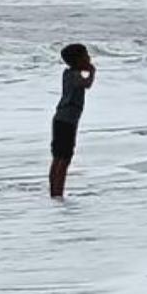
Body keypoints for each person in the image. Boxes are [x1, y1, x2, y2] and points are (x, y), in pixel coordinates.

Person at [49, 43, 95, 199]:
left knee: (58, 157)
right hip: (67, 120)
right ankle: (57, 192)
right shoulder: (74, 75)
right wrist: (92, 72)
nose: (89, 58)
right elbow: (86, 84)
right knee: (64, 158)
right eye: (86, 56)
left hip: (61, 118)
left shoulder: (67, 73)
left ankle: (54, 191)